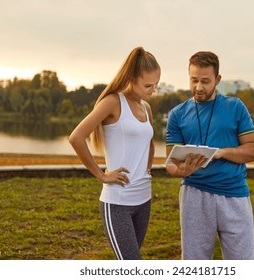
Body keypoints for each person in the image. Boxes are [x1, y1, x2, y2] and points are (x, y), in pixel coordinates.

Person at [165, 51, 254, 260]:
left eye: (205, 81)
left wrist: (221, 153)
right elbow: (170, 164)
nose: (199, 87)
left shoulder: (235, 107)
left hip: (234, 195)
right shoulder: (177, 114)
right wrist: (181, 170)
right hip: (194, 195)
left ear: (217, 79)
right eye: (194, 80)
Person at [69, 47, 160, 260]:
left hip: (144, 199)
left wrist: (147, 168)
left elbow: (149, 142)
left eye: (157, 84)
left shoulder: (146, 108)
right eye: (148, 85)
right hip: (118, 202)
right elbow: (76, 137)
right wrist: (101, 175)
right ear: (131, 78)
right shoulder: (112, 102)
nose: (153, 89)